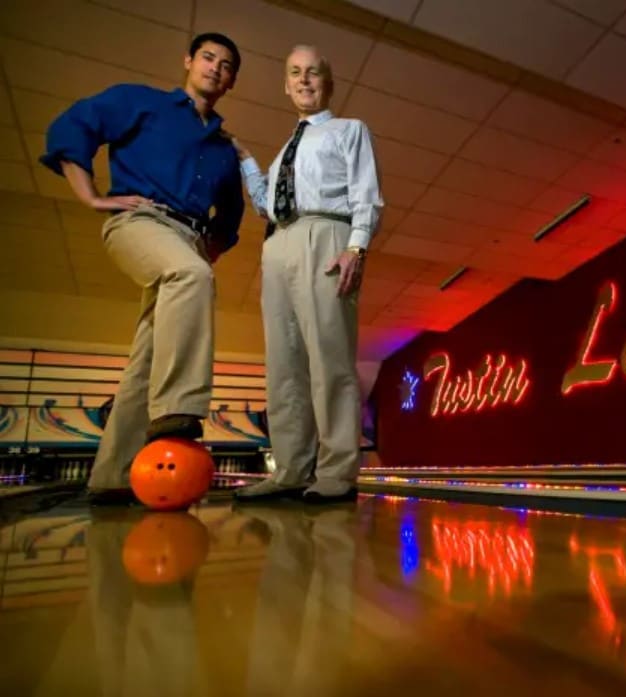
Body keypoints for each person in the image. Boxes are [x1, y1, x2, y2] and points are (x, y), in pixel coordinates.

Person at [39, 33, 245, 505]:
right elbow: (73, 126)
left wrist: (206, 247)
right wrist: (91, 196)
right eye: (208, 57)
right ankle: (177, 408)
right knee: (191, 276)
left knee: (145, 361)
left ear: (231, 81)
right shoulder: (140, 102)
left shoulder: (223, 150)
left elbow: (230, 218)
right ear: (188, 61)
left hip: (189, 238)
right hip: (139, 220)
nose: (215, 67)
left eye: (227, 65)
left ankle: (111, 476)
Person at [230, 44, 383, 504]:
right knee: (284, 365)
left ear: (327, 82)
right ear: (285, 83)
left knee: (329, 358)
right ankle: (290, 470)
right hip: (277, 242)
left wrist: (357, 246)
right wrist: (245, 159)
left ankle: (337, 471)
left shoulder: (349, 130)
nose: (304, 80)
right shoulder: (283, 155)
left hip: (326, 236)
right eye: (294, 72)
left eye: (313, 72)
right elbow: (265, 203)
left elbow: (366, 193)